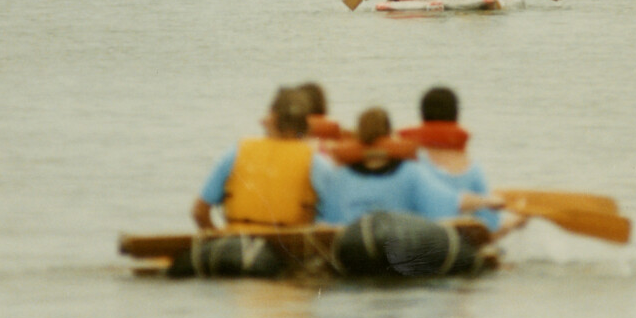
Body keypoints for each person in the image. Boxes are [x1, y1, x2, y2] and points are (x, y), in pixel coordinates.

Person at [315, 107, 501, 227]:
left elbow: (328, 219)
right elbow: (451, 201)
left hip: (353, 247)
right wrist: (488, 201)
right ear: (389, 135)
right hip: (398, 243)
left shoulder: (341, 176)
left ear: (360, 137)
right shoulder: (410, 172)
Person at [192, 86, 330, 231]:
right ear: (307, 125)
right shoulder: (316, 162)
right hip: (288, 243)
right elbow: (335, 218)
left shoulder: (237, 152)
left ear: (272, 118)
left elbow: (199, 212)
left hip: (236, 240)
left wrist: (217, 237)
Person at [400, 86, 500, 231]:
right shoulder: (474, 170)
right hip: (460, 240)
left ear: (422, 116)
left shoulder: (410, 165)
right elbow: (491, 228)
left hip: (419, 237)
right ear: (456, 116)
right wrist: (517, 221)